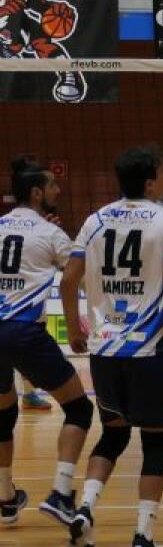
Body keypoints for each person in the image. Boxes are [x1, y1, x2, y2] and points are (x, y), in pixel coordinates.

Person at [60, 144, 163, 547]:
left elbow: (68, 279)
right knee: (156, 442)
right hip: (150, 351)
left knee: (113, 436)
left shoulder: (95, 220)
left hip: (105, 352)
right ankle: (143, 533)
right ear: (149, 181)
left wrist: (75, 329)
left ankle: (85, 507)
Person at [0, 157, 94, 530]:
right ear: (37, 192)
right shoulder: (52, 235)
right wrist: (80, 325)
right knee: (79, 411)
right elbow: (78, 278)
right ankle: (59, 493)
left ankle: (6, 498)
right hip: (23, 332)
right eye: (53, 185)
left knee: (3, 416)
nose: (58, 189)